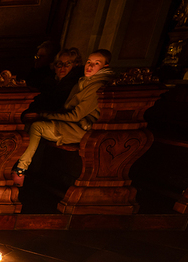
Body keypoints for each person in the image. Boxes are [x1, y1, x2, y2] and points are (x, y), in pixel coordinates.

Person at [12, 49, 115, 187]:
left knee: (37, 127)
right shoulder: (84, 82)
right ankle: (15, 167)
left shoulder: (96, 86)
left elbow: (75, 115)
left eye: (96, 63)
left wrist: (42, 114)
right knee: (31, 124)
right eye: (89, 62)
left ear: (105, 67)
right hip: (72, 124)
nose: (90, 66)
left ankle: (20, 170)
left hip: (82, 129)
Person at [28, 47, 84, 113]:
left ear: (75, 65)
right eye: (60, 63)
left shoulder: (72, 84)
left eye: (68, 63)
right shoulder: (48, 81)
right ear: (55, 66)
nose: (63, 67)